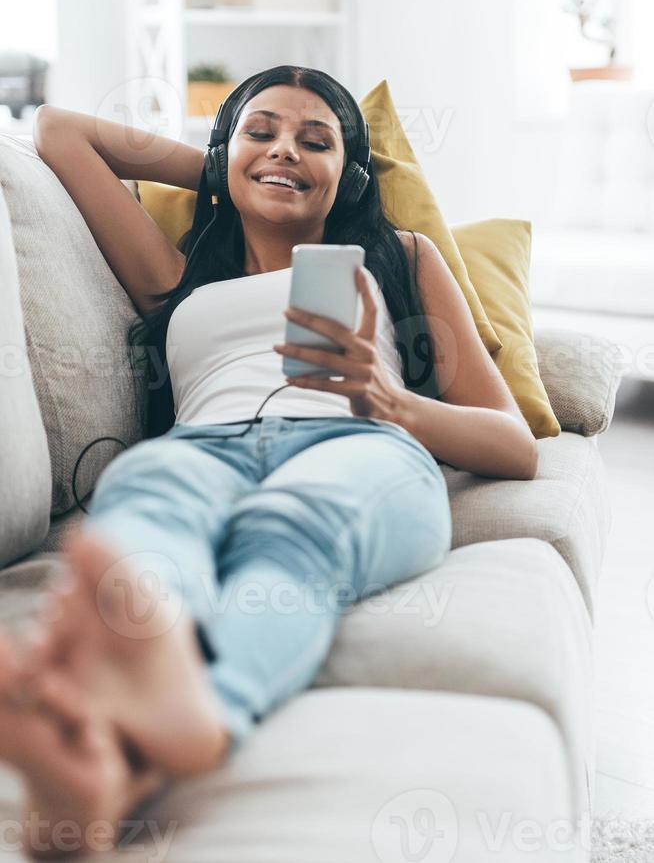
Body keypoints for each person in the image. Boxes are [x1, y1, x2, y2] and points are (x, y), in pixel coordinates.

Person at [0, 65, 538, 859]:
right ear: (225, 151)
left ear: (351, 175)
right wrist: (227, 164)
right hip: (199, 449)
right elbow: (59, 131)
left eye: (314, 142)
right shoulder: (177, 275)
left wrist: (391, 400)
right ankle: (125, 730)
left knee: (288, 527)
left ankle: (195, 717)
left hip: (359, 446)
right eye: (263, 131)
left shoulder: (400, 256)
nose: (285, 150)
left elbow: (514, 443)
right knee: (147, 518)